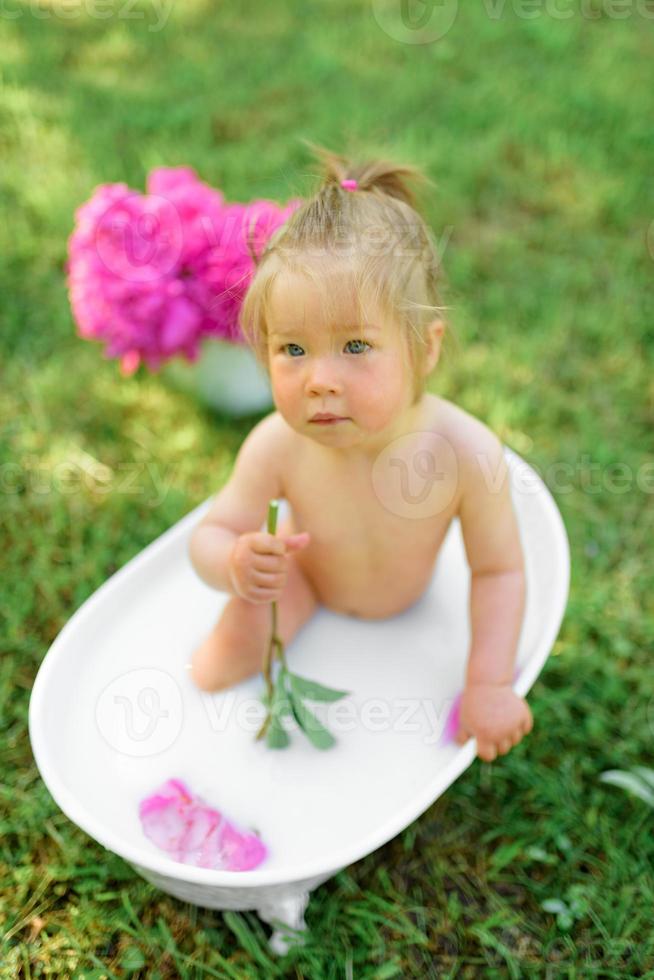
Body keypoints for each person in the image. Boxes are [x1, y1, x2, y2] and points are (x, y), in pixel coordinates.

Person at [188, 142, 533, 762]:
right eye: (292, 350)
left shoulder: (465, 455)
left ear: (424, 349)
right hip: (305, 581)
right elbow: (212, 533)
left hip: (408, 605)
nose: (319, 379)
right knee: (212, 671)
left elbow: (499, 571)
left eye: (354, 346)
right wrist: (234, 563)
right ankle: (205, 748)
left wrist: (488, 682)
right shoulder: (277, 444)